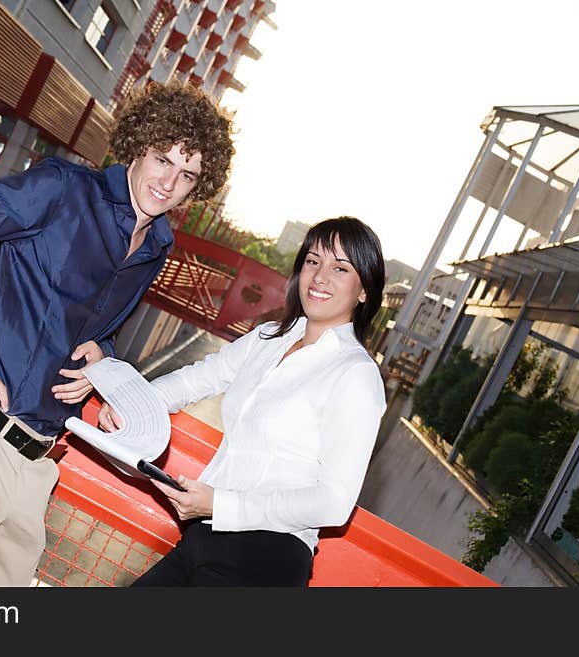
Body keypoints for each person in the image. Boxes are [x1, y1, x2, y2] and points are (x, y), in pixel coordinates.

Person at [0, 81, 235, 587]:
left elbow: (91, 324)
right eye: (162, 159)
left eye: (187, 174)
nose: (169, 182)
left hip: (36, 463)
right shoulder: (63, 189)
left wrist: (102, 354)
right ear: (139, 145)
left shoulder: (155, 245)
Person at [98, 216, 387, 586]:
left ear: (364, 291)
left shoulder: (356, 374)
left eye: (340, 268)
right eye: (313, 261)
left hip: (267, 558)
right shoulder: (270, 338)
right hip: (205, 535)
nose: (320, 277)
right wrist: (129, 402)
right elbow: (196, 379)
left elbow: (335, 502)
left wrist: (222, 505)